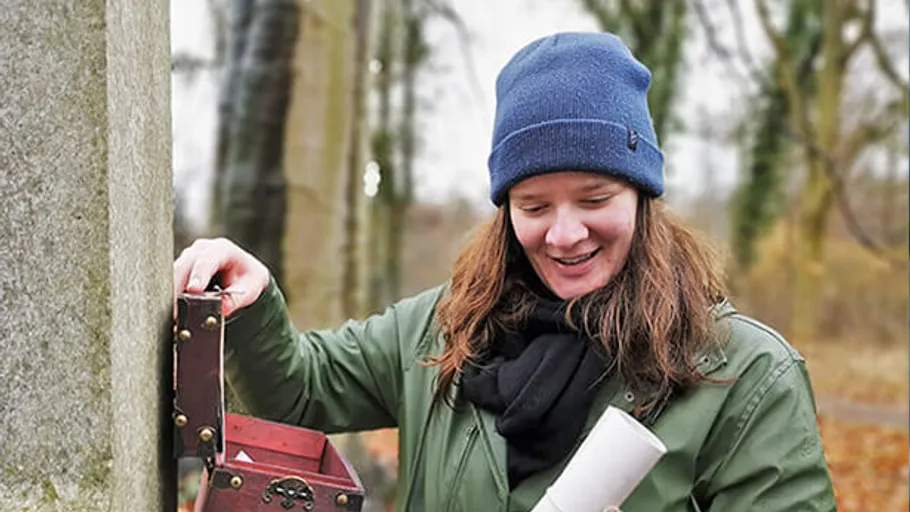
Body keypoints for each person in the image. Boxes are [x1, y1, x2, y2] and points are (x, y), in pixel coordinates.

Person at [174, 32, 836, 511]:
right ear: (504, 210)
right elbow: (300, 392)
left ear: (642, 196)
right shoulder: (441, 330)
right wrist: (255, 302)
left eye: (596, 199)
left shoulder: (745, 378)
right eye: (534, 205)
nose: (565, 233)